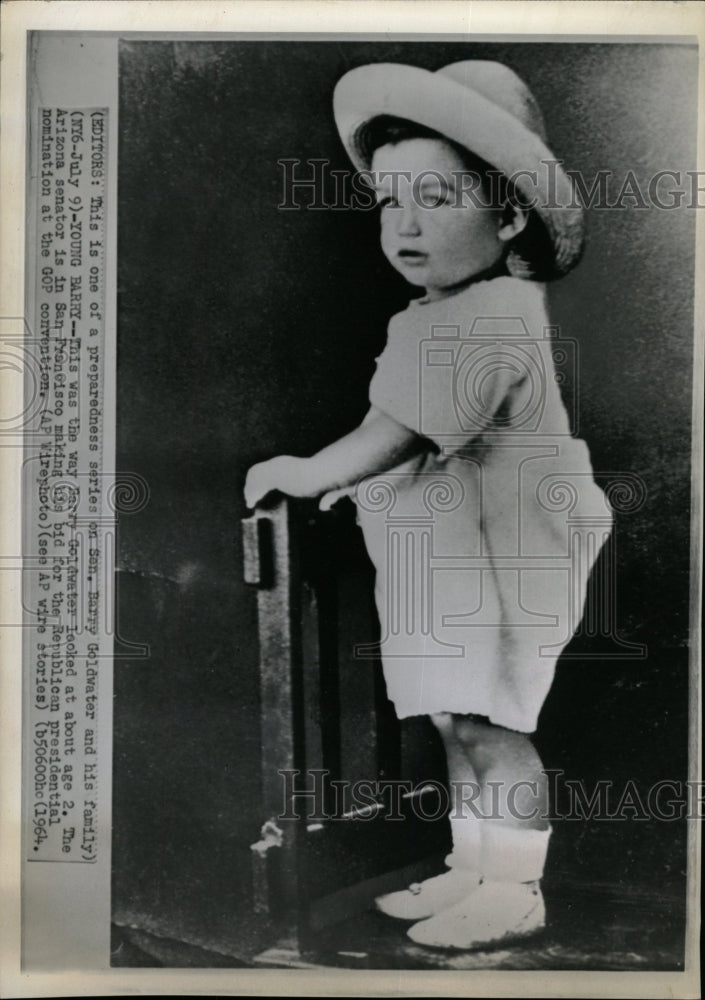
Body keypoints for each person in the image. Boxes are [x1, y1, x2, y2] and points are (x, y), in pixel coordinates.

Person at [244, 60, 611, 950]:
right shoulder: (435, 315)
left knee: (490, 722)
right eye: (389, 202)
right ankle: (473, 865)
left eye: (438, 199)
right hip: (449, 550)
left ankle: (516, 885)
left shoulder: (496, 314)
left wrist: (310, 470)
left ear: (509, 214)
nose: (405, 224)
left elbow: (400, 429)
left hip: (501, 548)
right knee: (453, 714)